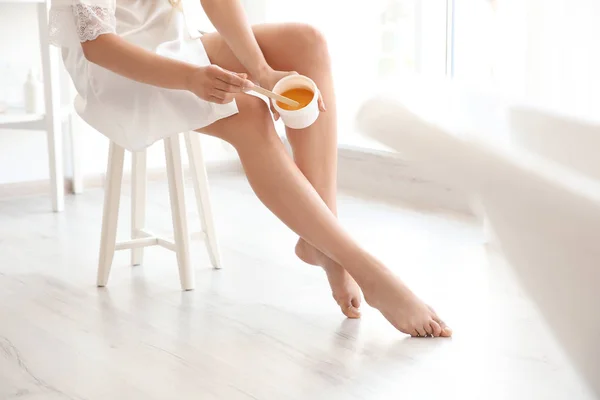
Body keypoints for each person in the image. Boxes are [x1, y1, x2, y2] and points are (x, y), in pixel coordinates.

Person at [49, 0, 451, 338]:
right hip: (118, 71)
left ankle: (321, 242)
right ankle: (368, 271)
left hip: (174, 42)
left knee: (307, 44)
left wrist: (262, 72)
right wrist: (191, 77)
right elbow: (98, 46)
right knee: (249, 111)